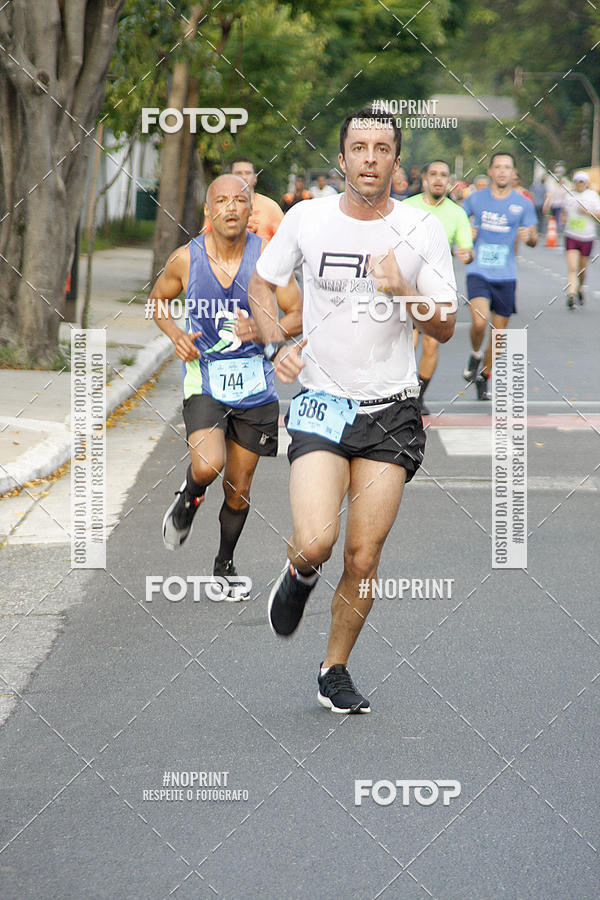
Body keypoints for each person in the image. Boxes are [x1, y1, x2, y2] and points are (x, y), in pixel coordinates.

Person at [248, 107, 456, 714]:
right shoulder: (306, 219)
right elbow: (263, 286)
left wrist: (404, 291)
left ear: (397, 161)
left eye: (381, 148)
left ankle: (333, 668)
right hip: (320, 402)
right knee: (317, 540)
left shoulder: (422, 229)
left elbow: (442, 325)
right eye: (358, 148)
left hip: (391, 410)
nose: (369, 158)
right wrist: (276, 343)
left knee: (364, 556)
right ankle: (301, 573)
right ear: (342, 159)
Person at [149, 174, 302, 599]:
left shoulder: (267, 260)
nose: (231, 208)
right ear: (208, 211)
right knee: (207, 466)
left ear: (251, 211)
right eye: (222, 201)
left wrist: (260, 327)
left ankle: (224, 564)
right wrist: (175, 335)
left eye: (240, 201)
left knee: (238, 488)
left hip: (256, 388)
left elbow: (298, 313)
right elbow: (157, 300)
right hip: (207, 379)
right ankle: (190, 495)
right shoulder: (185, 258)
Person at [462, 151, 538, 400]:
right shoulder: (475, 199)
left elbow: (534, 236)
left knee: (499, 334)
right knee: (480, 322)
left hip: (506, 274)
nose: (503, 171)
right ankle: (475, 354)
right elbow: (459, 228)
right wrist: (466, 237)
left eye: (507, 167)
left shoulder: (523, 203)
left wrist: (531, 238)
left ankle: (484, 377)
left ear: (514, 173)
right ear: (491, 171)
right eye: (498, 167)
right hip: (479, 271)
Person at [403, 160, 474, 414]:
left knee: (431, 344)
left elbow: (467, 248)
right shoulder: (406, 207)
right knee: (407, 342)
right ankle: (401, 391)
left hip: (437, 290)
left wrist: (467, 255)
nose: (438, 179)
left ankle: (418, 398)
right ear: (424, 178)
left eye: (443, 175)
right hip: (406, 287)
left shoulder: (457, 214)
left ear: (449, 181)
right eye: (433, 174)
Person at [202, 157, 283, 241]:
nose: (244, 177)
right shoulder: (218, 207)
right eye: (238, 173)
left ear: (255, 178)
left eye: (248, 173)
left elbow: (286, 242)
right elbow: (205, 241)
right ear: (230, 178)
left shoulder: (270, 207)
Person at [562, 171, 600, 308]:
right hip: (571, 236)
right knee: (572, 267)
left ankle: (579, 288)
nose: (579, 185)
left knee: (582, 269)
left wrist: (587, 212)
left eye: (582, 182)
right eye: (577, 182)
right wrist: (564, 218)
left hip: (587, 237)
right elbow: (564, 212)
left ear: (586, 183)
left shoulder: (593, 196)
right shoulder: (568, 197)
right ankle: (571, 295)